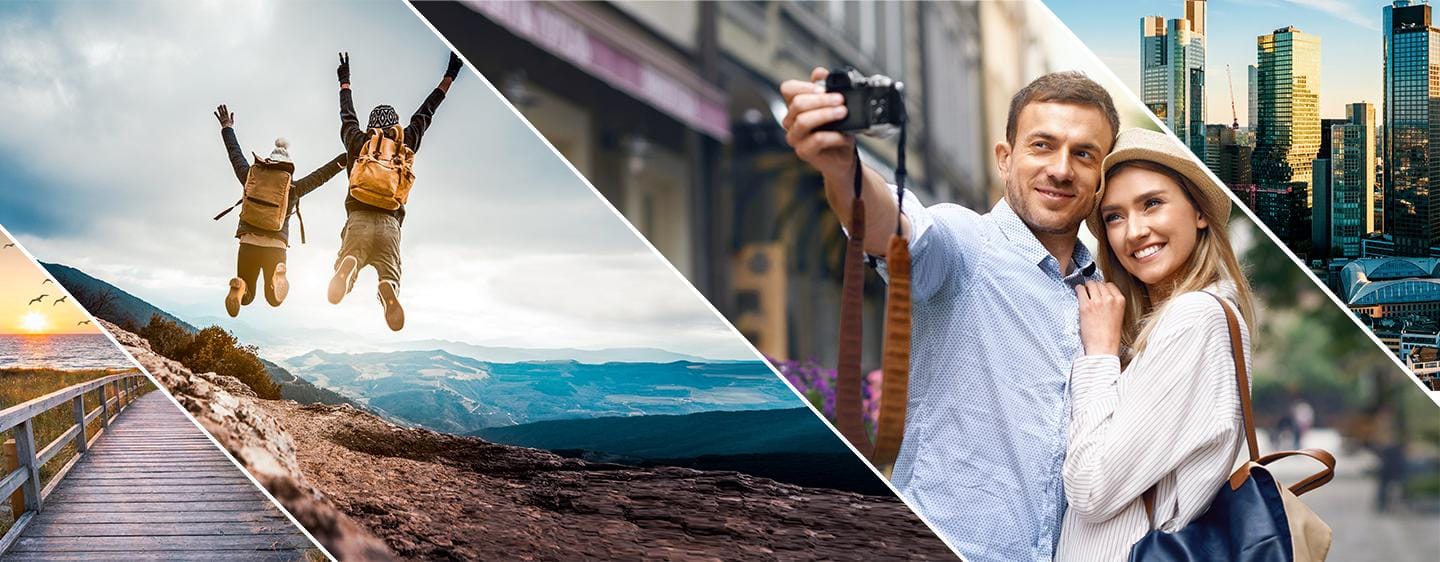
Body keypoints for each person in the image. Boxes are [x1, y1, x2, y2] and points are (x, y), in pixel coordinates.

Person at [781, 68, 1119, 561]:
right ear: (1005, 159)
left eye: (1083, 154)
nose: (1062, 169)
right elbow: (893, 229)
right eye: (1042, 145)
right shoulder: (966, 245)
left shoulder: (1104, 295)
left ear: (1101, 177)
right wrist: (844, 171)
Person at [1058, 128, 1257, 561]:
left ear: (1199, 212)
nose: (1134, 231)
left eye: (1152, 203)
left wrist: (1100, 357)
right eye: (1113, 216)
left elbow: (1091, 489)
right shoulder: (1189, 318)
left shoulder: (1194, 319)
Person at [329, 51, 462, 331]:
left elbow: (346, 115)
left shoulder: (358, 140)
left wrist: (345, 81)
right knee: (389, 271)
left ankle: (350, 263)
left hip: (358, 219)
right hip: (390, 223)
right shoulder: (406, 143)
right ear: (396, 126)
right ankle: (387, 287)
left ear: (370, 126)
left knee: (350, 256)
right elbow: (427, 111)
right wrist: (449, 76)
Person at [214, 104, 346, 318]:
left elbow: (235, 155)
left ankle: (239, 287)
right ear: (287, 168)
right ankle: (276, 280)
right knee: (273, 299)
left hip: (248, 242)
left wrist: (227, 127)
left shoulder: (250, 177)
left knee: (247, 297)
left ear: (268, 162)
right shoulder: (292, 188)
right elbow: (322, 175)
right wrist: (347, 157)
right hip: (276, 246)